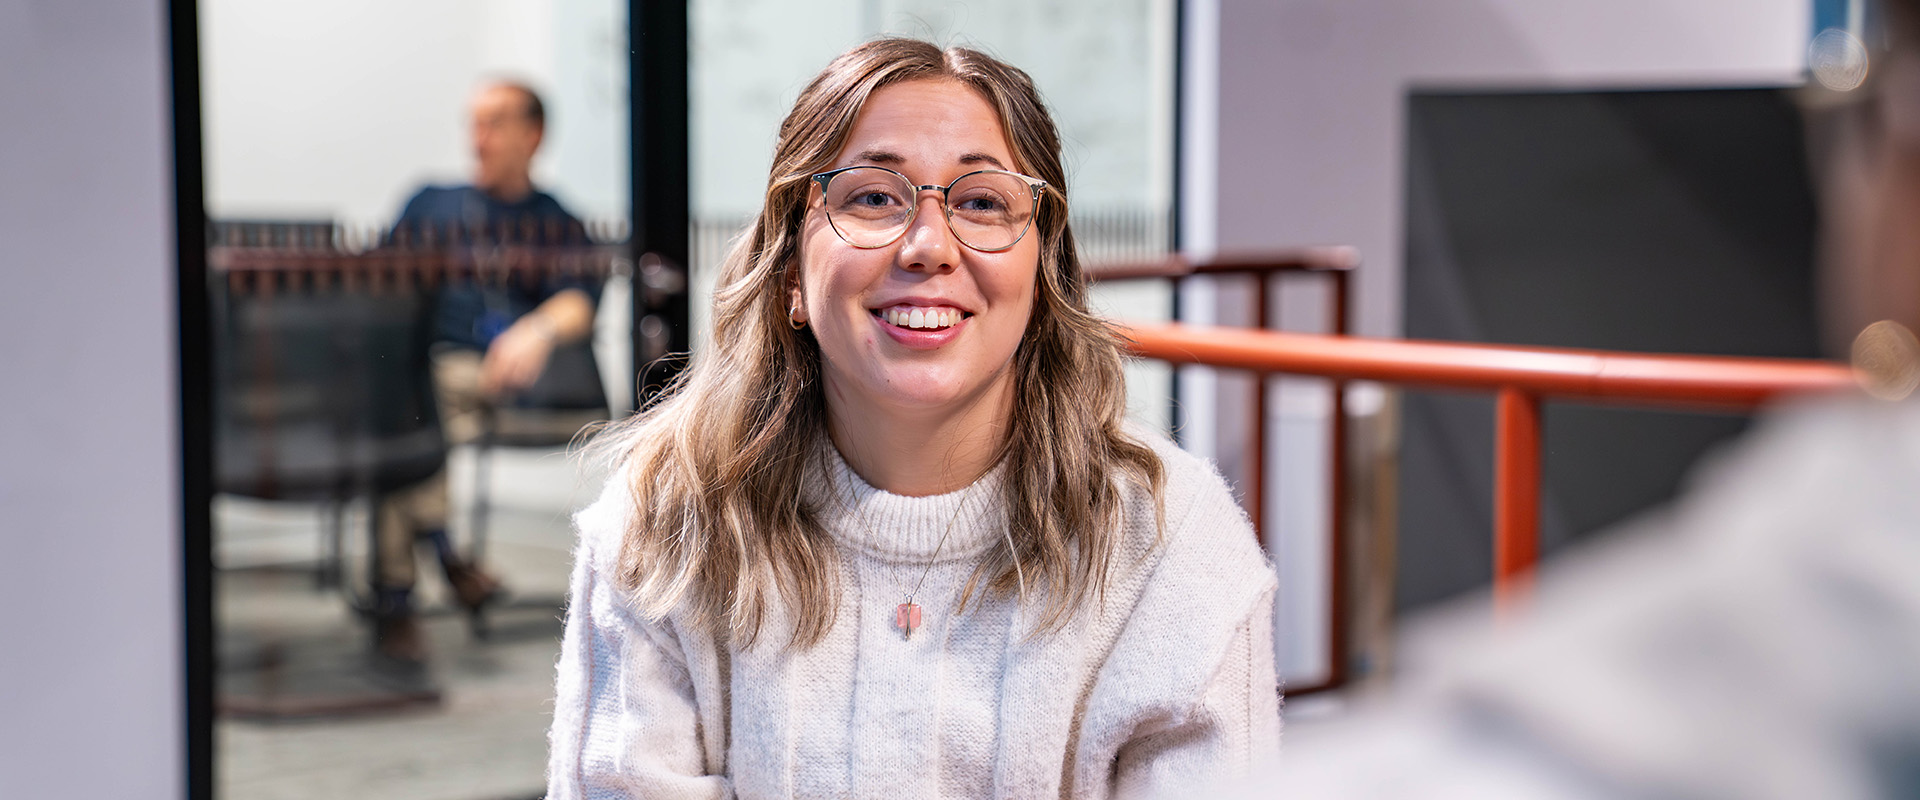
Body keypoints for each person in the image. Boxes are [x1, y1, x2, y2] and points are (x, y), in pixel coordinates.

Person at [545, 39, 1281, 798]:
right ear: (791, 271)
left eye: (982, 202)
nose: (929, 247)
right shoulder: (664, 523)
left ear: (1042, 277)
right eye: (872, 198)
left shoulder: (1173, 545)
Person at [373, 79, 601, 665]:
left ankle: (398, 596)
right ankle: (444, 558)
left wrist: (536, 330)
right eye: (474, 123)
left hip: (512, 379)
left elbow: (580, 302)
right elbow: (380, 282)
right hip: (435, 369)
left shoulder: (554, 220)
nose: (479, 137)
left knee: (403, 420)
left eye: (495, 122)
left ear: (534, 135)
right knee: (408, 406)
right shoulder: (431, 202)